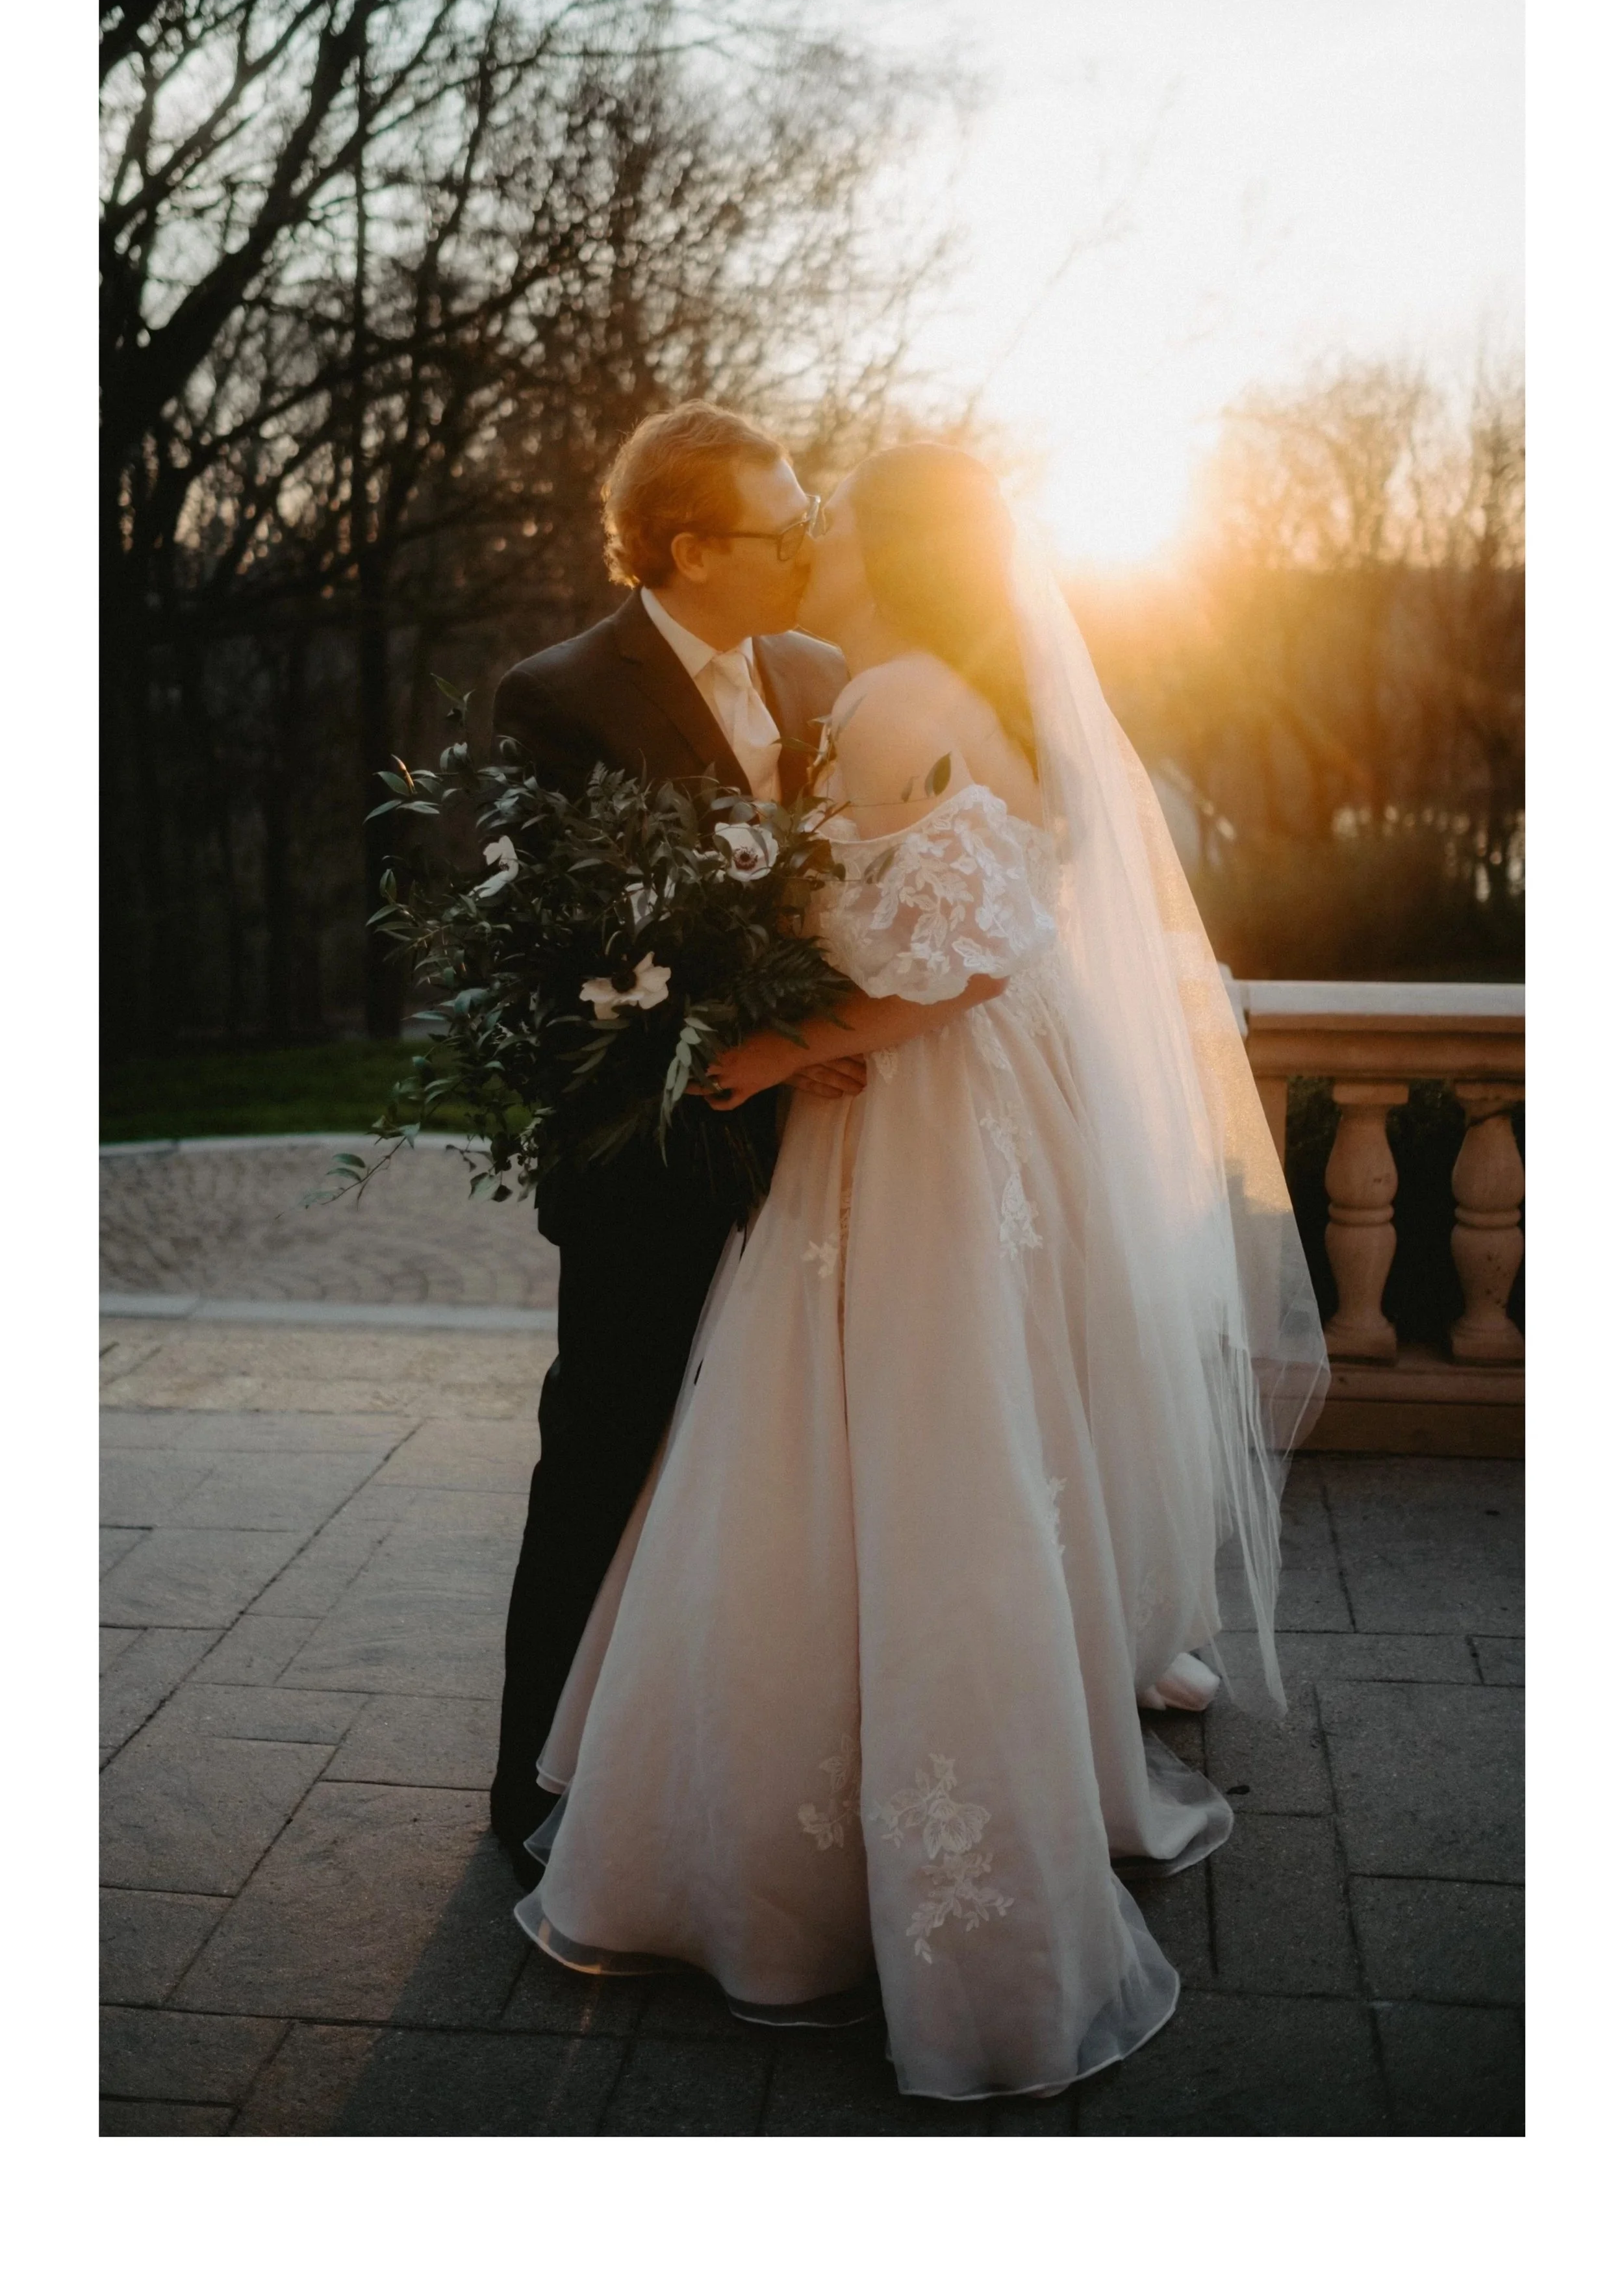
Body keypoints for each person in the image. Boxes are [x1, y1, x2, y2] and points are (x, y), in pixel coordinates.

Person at [511, 444, 1329, 2102]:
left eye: (827, 522)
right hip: (964, 1126)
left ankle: (848, 1835)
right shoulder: (968, 686)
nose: (809, 541)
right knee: (947, 1431)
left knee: (881, 1429)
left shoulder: (880, 697)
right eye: (783, 520)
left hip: (902, 1128)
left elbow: (943, 962)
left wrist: (761, 1047)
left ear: (879, 550)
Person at [486, 403, 853, 1882]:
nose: (808, 546)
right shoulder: (563, 694)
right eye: (783, 525)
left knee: (767, 1468)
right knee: (604, 1451)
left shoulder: (823, 677)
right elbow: (558, 940)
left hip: (823, 1148)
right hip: (645, 1153)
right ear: (692, 547)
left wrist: (823, 1025)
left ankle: (710, 1770)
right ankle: (528, 1777)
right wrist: (732, 1036)